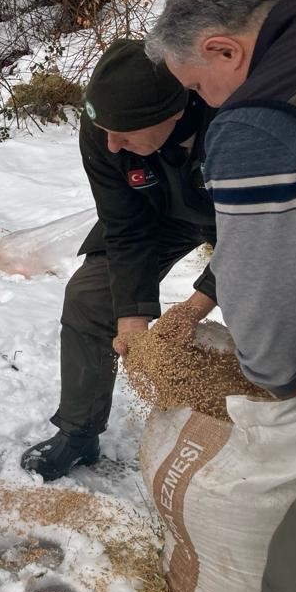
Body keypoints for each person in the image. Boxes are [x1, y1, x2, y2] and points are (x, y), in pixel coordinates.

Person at [145, 0, 296, 592]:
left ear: (225, 52)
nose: (202, 103)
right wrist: (202, 296)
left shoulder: (256, 124)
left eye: (197, 86)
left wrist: (268, 381)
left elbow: (268, 294)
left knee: (283, 590)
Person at [20, 38, 218, 481]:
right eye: (103, 130)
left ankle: (258, 441)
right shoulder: (105, 129)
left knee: (263, 312)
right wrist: (131, 318)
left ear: (173, 113)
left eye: (124, 133)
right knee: (93, 295)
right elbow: (124, 226)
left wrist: (196, 306)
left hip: (246, 217)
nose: (111, 145)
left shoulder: (231, 122)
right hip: (157, 212)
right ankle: (79, 432)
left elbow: (260, 239)